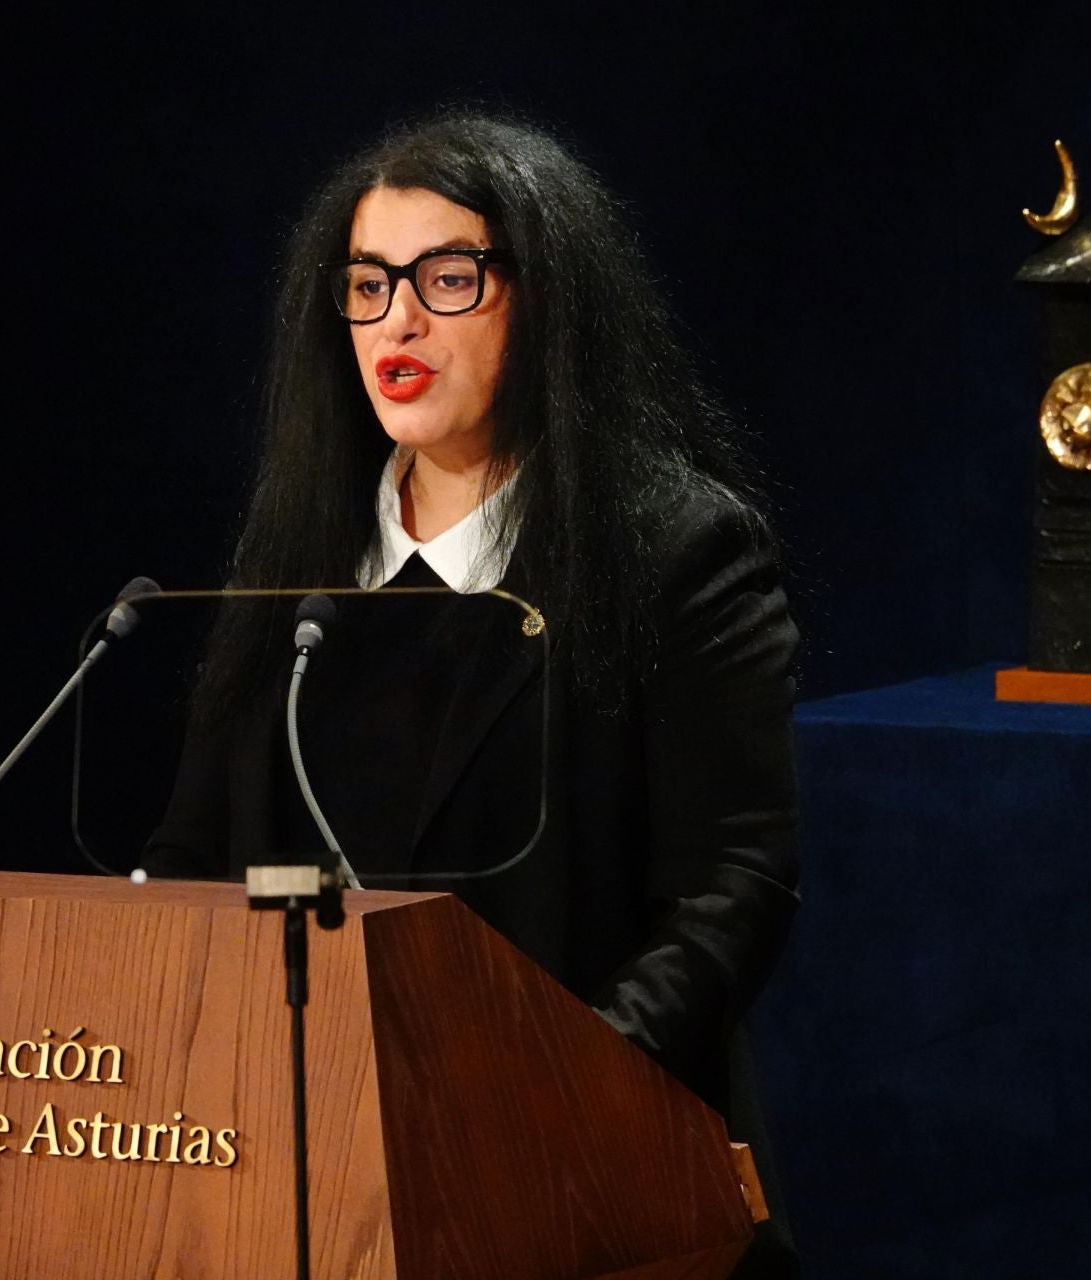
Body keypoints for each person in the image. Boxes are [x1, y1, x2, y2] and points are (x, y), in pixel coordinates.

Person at [143, 112, 800, 1274]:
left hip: (582, 1183)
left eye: (446, 277)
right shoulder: (295, 566)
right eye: (366, 283)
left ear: (543, 297)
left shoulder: (676, 547)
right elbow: (194, 858)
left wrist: (551, 1091)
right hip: (299, 1190)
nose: (398, 318)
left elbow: (730, 891)